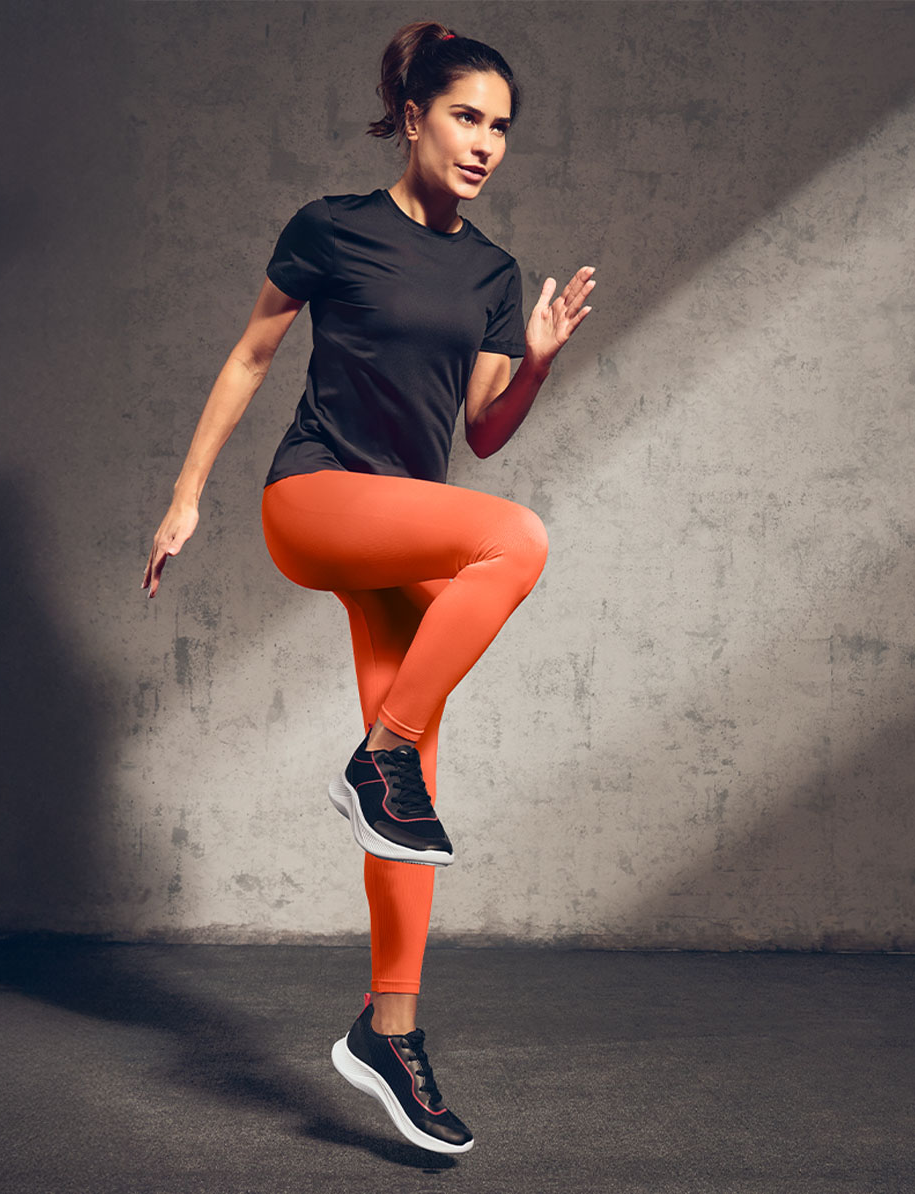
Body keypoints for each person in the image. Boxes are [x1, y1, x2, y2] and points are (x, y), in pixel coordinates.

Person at [142, 19, 593, 1155]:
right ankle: (376, 757)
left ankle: (388, 1034)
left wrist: (533, 357)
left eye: (501, 126)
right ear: (412, 116)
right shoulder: (331, 230)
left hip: (407, 532)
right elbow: (251, 354)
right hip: (318, 498)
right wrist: (187, 495)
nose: (485, 143)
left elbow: (484, 435)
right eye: (465, 117)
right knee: (518, 543)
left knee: (413, 805)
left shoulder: (491, 273)